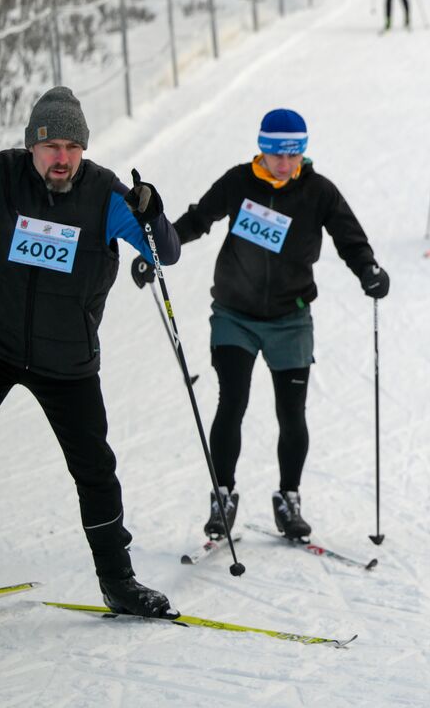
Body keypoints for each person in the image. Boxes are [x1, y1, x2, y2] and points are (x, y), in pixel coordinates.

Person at [133, 108, 388, 542]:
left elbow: (350, 238)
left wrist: (368, 270)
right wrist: (153, 250)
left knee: (291, 414)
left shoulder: (319, 191)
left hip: (291, 318)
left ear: (302, 154)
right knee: (232, 401)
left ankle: (289, 498)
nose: (284, 163)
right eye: (276, 154)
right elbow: (197, 221)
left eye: (293, 154)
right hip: (234, 315)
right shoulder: (238, 182)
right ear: (262, 150)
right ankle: (223, 495)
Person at [1, 87, 180, 618]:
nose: (62, 158)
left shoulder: (105, 194)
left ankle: (118, 583)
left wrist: (154, 214)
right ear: (31, 146)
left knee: (95, 471)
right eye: (51, 145)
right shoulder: (4, 177)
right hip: (2, 342)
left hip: (68, 360)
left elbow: (164, 251)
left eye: (72, 147)